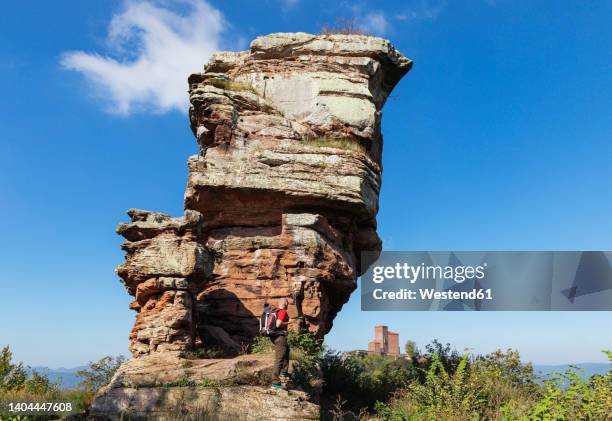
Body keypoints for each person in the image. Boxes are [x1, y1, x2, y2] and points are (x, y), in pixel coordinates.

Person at [270, 297, 290, 390]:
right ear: (286, 304)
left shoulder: (275, 311)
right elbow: (278, 324)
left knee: (286, 352)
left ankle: (283, 374)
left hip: (275, 336)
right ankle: (275, 382)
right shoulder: (282, 312)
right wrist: (288, 322)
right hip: (280, 337)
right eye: (288, 304)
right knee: (279, 358)